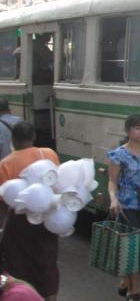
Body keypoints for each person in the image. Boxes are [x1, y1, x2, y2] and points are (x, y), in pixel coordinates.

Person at [0, 122, 60, 301]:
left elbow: (3, 201)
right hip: (48, 219)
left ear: (13, 140)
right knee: (47, 261)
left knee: (18, 262)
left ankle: (25, 295)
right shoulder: (49, 154)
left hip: (20, 221)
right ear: (33, 136)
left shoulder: (6, 163)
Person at [108, 114, 140, 301]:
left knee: (137, 245)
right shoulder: (118, 154)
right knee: (135, 246)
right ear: (128, 131)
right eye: (137, 128)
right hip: (125, 205)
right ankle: (133, 290)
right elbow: (112, 181)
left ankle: (124, 281)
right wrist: (113, 199)